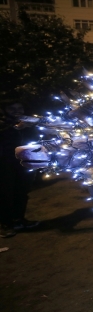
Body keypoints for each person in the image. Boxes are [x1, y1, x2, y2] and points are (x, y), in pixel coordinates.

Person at [0, 100, 40, 238]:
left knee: (22, 190)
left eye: (20, 107)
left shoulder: (27, 121)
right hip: (4, 162)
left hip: (24, 160)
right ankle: (4, 224)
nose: (17, 110)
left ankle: (19, 219)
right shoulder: (4, 123)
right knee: (5, 193)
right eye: (12, 108)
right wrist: (14, 127)